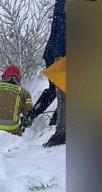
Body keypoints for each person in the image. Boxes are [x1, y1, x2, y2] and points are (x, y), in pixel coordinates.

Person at [0, 65, 33, 138]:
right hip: (12, 131)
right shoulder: (24, 93)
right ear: (18, 78)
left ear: (4, 77)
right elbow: (28, 112)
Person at [41, 0, 66, 147]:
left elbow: (62, 23)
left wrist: (59, 52)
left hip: (61, 51)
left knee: (61, 90)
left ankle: (62, 131)